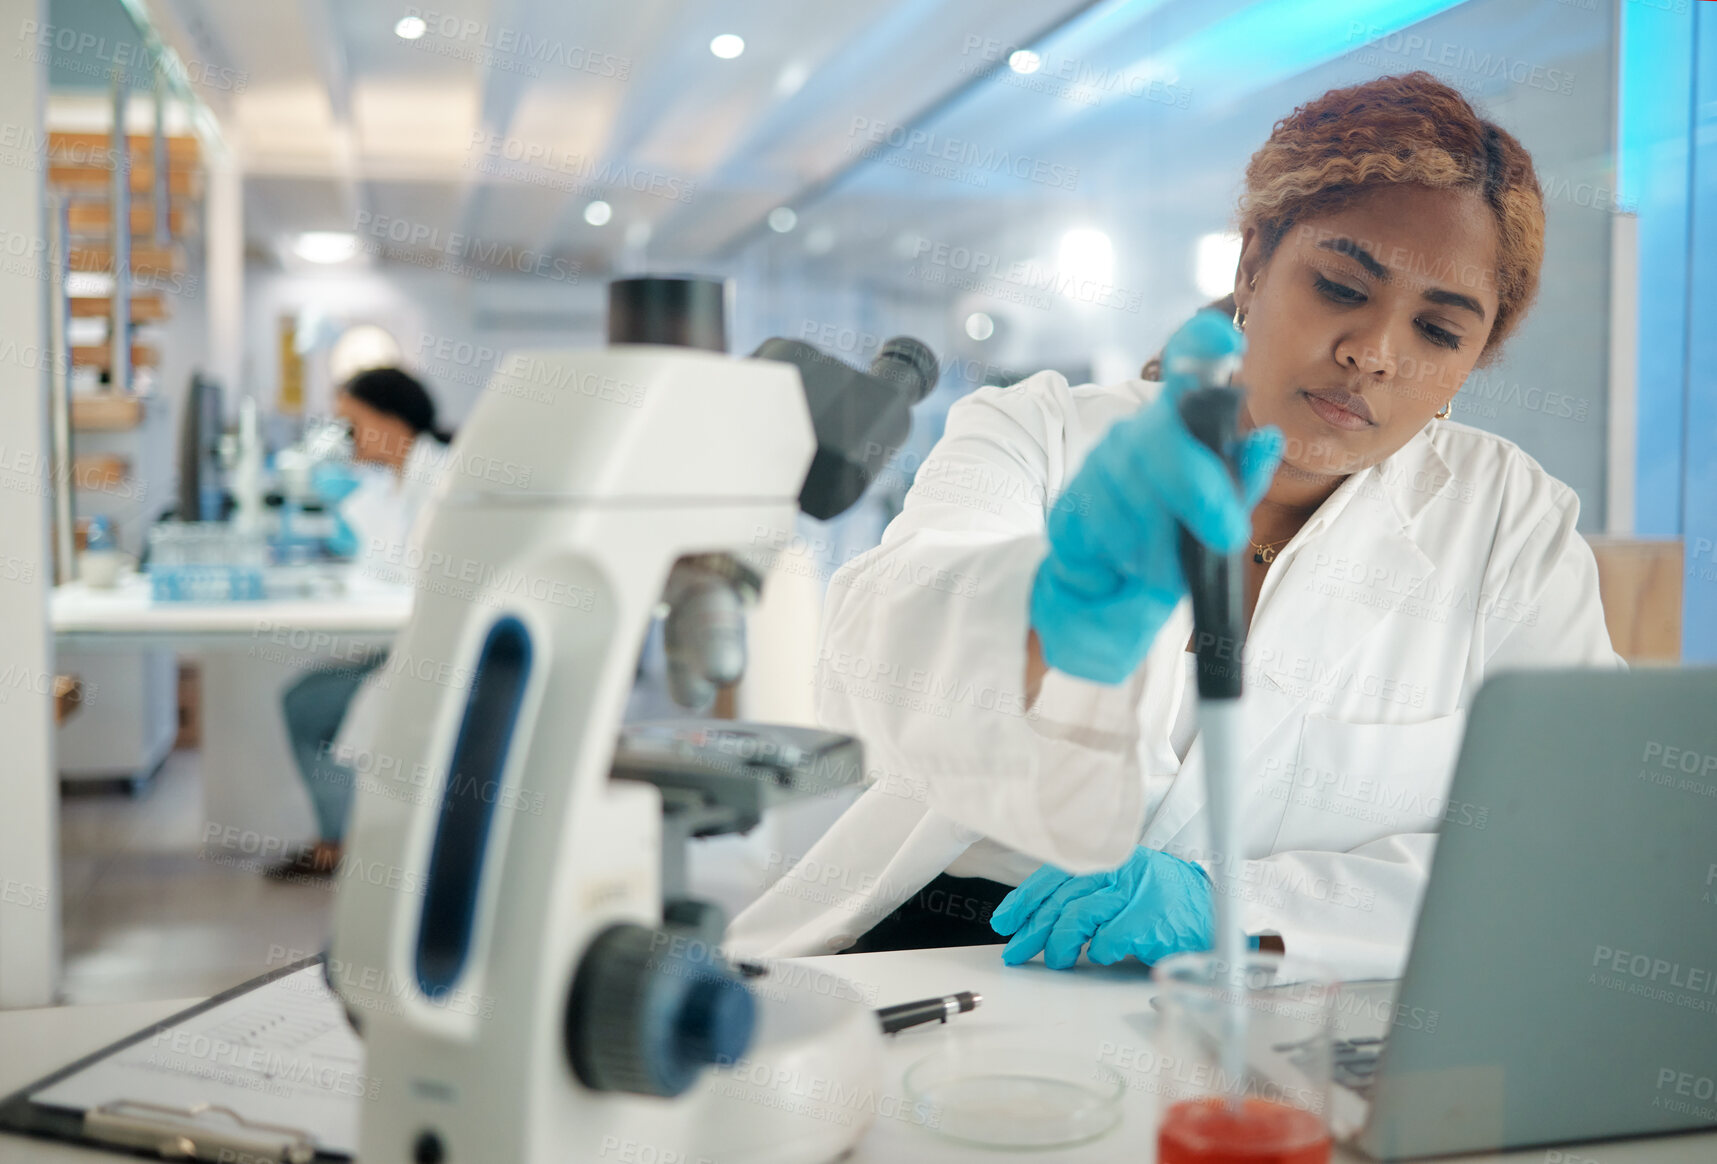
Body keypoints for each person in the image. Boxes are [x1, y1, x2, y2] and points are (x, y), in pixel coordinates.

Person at [726, 72, 1623, 980]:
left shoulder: (1508, 520)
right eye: (1342, 286)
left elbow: (1565, 840)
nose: (1373, 352)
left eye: (1438, 331)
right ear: (1251, 266)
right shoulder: (1043, 432)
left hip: (1275, 986)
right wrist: (1047, 609)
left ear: (1474, 360)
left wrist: (1232, 907)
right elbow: (867, 659)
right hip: (960, 953)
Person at [269, 367, 452, 878]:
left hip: (434, 657)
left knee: (305, 706)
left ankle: (339, 843)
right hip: (407, 645)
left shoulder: (441, 481)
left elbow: (422, 577)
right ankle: (341, 837)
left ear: (390, 423)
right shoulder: (396, 481)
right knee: (308, 700)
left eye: (352, 423)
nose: (344, 437)